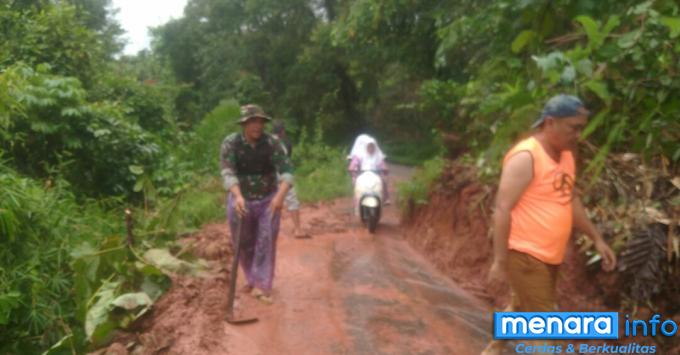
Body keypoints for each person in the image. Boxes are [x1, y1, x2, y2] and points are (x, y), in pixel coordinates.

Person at [481, 95, 617, 354]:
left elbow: (570, 198)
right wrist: (499, 261)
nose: (579, 134)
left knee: (521, 308)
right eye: (573, 127)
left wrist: (597, 239)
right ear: (550, 123)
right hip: (524, 254)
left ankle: (493, 350)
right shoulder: (526, 156)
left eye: (581, 127)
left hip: (548, 256)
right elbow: (502, 209)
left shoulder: (566, 155)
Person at [220, 104, 294, 304]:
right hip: (241, 200)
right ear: (244, 124)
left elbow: (287, 172)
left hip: (268, 200)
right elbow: (227, 172)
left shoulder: (273, 143)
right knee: (243, 242)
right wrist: (237, 196)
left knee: (265, 240)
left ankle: (262, 284)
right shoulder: (231, 143)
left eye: (260, 121)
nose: (257, 126)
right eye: (252, 121)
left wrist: (280, 198)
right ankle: (251, 278)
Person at [271, 120, 308, 239]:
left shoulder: (266, 140)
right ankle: (297, 229)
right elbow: (287, 158)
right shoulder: (285, 142)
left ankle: (268, 229)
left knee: (271, 200)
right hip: (282, 173)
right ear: (283, 131)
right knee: (291, 199)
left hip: (268, 175)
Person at [348, 134, 390, 204]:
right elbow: (354, 163)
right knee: (355, 181)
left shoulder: (378, 155)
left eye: (372, 146)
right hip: (362, 174)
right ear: (366, 146)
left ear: (375, 147)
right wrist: (352, 168)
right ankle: (357, 199)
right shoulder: (360, 154)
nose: (371, 148)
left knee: (383, 180)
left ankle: (385, 198)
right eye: (369, 146)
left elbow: (382, 165)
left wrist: (385, 169)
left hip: (375, 174)